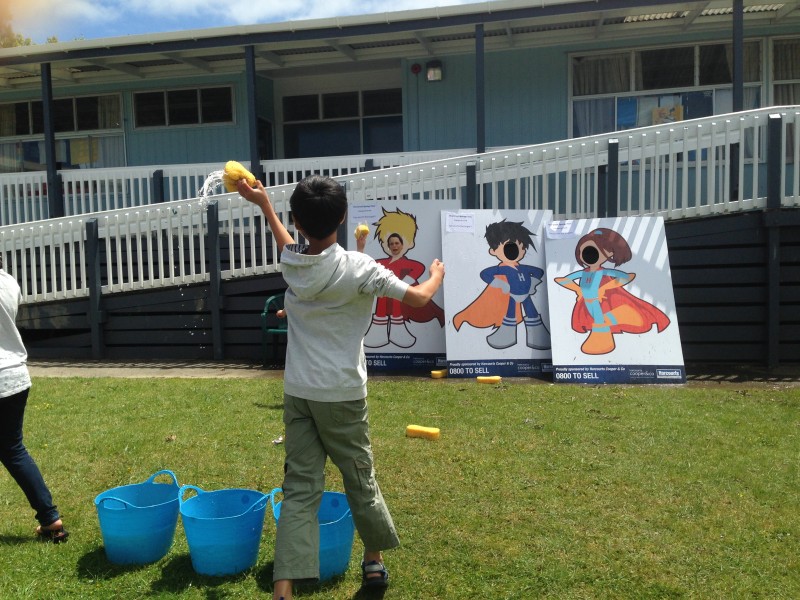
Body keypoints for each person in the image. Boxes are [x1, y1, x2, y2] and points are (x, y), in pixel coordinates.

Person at [236, 176, 444, 600]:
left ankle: (283, 588)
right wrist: (436, 275)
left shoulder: (292, 263)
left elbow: (289, 241)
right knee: (358, 478)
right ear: (344, 217)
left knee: (299, 487)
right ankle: (373, 561)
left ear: (298, 221)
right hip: (343, 395)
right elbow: (419, 299)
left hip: (298, 393)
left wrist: (264, 206)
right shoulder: (360, 267)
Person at [0, 257, 68, 543]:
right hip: (15, 375)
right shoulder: (9, 282)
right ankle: (51, 521)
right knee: (13, 450)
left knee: (12, 450)